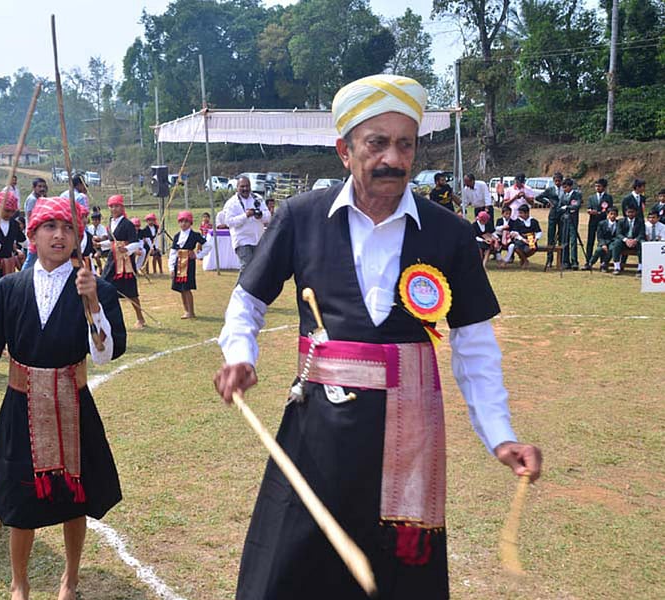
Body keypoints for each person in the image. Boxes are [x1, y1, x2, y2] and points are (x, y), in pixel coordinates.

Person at [213, 73, 541, 600]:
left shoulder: (449, 233)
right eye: (377, 143)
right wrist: (239, 354)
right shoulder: (302, 217)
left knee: (399, 579)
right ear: (345, 150)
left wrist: (500, 435)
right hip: (316, 433)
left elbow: (474, 344)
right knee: (288, 573)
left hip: (410, 443)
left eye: (405, 144)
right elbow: (246, 301)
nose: (394, 158)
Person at [0, 197, 126, 600]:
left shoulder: (95, 287)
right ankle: (20, 581)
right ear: (32, 235)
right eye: (49, 227)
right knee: (19, 497)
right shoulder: (8, 289)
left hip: (73, 400)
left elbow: (103, 354)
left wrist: (93, 306)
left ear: (77, 236)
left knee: (74, 495)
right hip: (21, 403)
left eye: (68, 228)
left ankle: (70, 577)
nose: (59, 235)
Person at [101, 194, 145, 328]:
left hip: (125, 262)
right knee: (104, 286)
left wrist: (126, 249)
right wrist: (100, 244)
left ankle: (140, 318)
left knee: (131, 291)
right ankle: (106, 319)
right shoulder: (110, 223)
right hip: (112, 260)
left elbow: (136, 243)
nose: (114, 209)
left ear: (122, 207)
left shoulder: (128, 224)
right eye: (111, 206)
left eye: (116, 206)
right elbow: (112, 242)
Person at [169, 210, 212, 319]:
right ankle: (186, 310)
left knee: (186, 288)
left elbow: (208, 246)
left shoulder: (194, 235)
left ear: (190, 223)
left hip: (188, 264)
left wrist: (198, 255)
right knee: (181, 289)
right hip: (178, 264)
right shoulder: (177, 236)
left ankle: (191, 311)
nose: (183, 224)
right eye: (181, 221)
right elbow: (173, 252)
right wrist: (171, 267)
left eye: (186, 221)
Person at [223, 176, 271, 271]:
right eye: (242, 186)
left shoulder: (257, 199)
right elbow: (229, 222)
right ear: (237, 188)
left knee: (258, 269)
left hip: (258, 239)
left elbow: (268, 217)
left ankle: (248, 286)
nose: (245, 189)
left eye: (247, 186)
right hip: (242, 240)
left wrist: (260, 215)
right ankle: (241, 286)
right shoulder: (232, 203)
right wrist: (246, 215)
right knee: (247, 267)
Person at [0, 190, 27, 282]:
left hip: (7, 268)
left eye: (12, 211)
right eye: (7, 211)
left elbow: (23, 241)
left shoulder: (14, 224)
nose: (9, 214)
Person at [535, 173, 564, 268]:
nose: (557, 182)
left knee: (562, 237)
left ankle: (561, 260)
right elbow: (538, 197)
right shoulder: (550, 190)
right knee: (551, 237)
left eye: (559, 181)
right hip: (553, 215)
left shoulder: (565, 190)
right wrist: (547, 203)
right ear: (553, 181)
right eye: (556, 181)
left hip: (562, 215)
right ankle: (549, 259)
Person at [584, 178, 613, 268]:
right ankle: (588, 261)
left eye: (599, 186)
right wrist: (590, 211)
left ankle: (603, 262)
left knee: (602, 241)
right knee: (590, 241)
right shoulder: (591, 197)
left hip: (603, 222)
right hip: (593, 221)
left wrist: (600, 213)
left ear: (604, 187)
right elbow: (589, 207)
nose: (597, 188)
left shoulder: (608, 198)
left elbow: (610, 210)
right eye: (596, 186)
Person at [23, 177, 49, 271]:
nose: (42, 188)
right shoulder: (32, 200)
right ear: (34, 187)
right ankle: (21, 278)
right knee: (31, 259)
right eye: (39, 186)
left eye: (44, 186)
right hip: (33, 233)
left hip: (38, 233)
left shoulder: (40, 199)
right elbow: (31, 218)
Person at [609, 205, 644, 276]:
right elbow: (618, 234)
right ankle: (617, 267)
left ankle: (640, 269)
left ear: (636, 212)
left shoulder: (640, 221)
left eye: (632, 212)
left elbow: (642, 233)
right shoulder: (621, 221)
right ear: (626, 212)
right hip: (624, 242)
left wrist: (635, 240)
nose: (630, 214)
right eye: (629, 212)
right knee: (616, 243)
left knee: (642, 244)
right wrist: (626, 240)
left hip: (635, 241)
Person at [556, 178, 582, 270]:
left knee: (573, 241)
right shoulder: (563, 196)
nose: (564, 189)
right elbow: (559, 207)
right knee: (564, 240)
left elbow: (577, 205)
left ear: (570, 186)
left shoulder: (576, 195)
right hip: (564, 220)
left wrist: (567, 207)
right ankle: (565, 261)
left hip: (573, 220)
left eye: (566, 187)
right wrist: (562, 209)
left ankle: (574, 261)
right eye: (563, 187)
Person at [582, 207, 619, 271]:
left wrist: (613, 243)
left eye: (614, 214)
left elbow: (618, 235)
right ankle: (590, 263)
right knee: (599, 250)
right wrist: (603, 244)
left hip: (613, 242)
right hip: (604, 241)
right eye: (611, 214)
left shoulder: (619, 224)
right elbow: (599, 236)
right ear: (608, 214)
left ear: (617, 215)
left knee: (611, 249)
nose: (613, 216)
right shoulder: (602, 223)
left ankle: (604, 264)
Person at [510, 204, 543, 268]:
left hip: (531, 238)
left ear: (527, 213)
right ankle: (525, 260)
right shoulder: (517, 221)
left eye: (521, 213)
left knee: (533, 248)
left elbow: (538, 232)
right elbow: (515, 232)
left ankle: (522, 258)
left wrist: (536, 239)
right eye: (519, 213)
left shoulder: (534, 221)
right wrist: (523, 239)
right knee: (516, 247)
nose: (520, 215)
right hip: (521, 238)